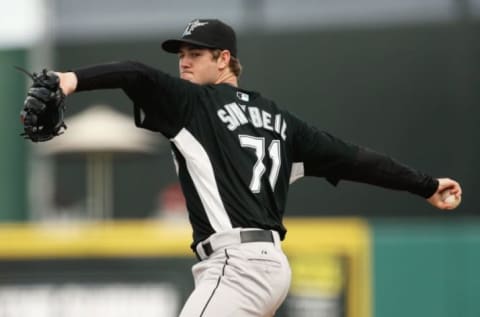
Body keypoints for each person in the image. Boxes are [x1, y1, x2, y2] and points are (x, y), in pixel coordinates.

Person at [50, 19, 461, 317]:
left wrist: (68, 79)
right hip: (269, 267)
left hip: (236, 264)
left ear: (224, 59)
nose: (184, 63)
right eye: (181, 55)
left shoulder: (194, 103)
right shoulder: (281, 121)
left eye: (195, 54)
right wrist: (424, 185)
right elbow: (356, 160)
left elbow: (135, 74)